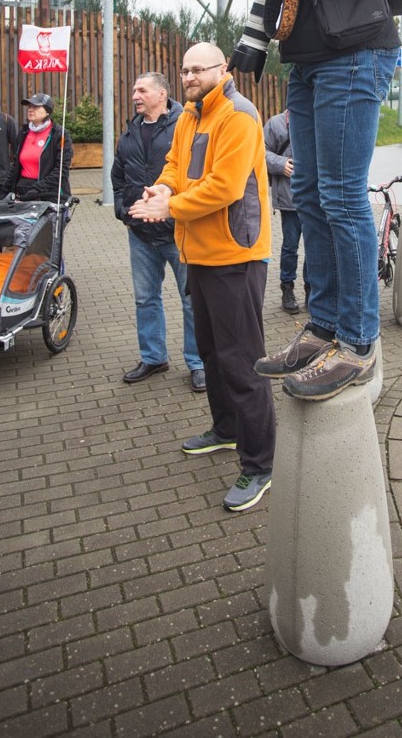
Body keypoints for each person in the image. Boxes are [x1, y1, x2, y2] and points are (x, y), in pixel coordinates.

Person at [233, 0, 400, 401]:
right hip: (309, 56)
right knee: (314, 198)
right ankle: (324, 325)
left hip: (352, 50)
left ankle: (357, 343)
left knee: (339, 196)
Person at [129, 43, 275, 513]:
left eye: (198, 69)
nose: (189, 76)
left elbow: (225, 187)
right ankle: (226, 430)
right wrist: (164, 186)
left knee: (242, 361)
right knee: (211, 352)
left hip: (236, 255)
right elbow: (176, 164)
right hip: (201, 255)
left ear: (223, 69)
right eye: (185, 69)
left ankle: (260, 465)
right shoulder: (190, 115)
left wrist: (166, 207)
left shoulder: (238, 114)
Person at [112, 72, 206, 393]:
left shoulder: (185, 125)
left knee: (191, 300)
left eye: (142, 90)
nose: (135, 95)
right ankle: (153, 357)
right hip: (140, 234)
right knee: (144, 299)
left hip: (178, 230)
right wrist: (123, 212)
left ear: (162, 93)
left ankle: (198, 363)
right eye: (134, 90)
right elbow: (118, 178)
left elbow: (195, 174)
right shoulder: (129, 133)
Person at [262, 109, 308, 312]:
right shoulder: (275, 123)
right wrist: (281, 164)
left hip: (313, 199)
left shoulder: (313, 119)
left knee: (314, 248)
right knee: (290, 247)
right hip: (289, 199)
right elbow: (260, 151)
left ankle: (312, 290)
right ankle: (287, 288)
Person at [11, 93, 72, 202]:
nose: (30, 109)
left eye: (35, 107)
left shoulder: (59, 134)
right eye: (29, 106)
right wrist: (6, 192)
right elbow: (15, 165)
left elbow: (61, 170)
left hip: (49, 193)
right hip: (24, 192)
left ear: (47, 111)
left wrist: (37, 189)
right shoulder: (24, 132)